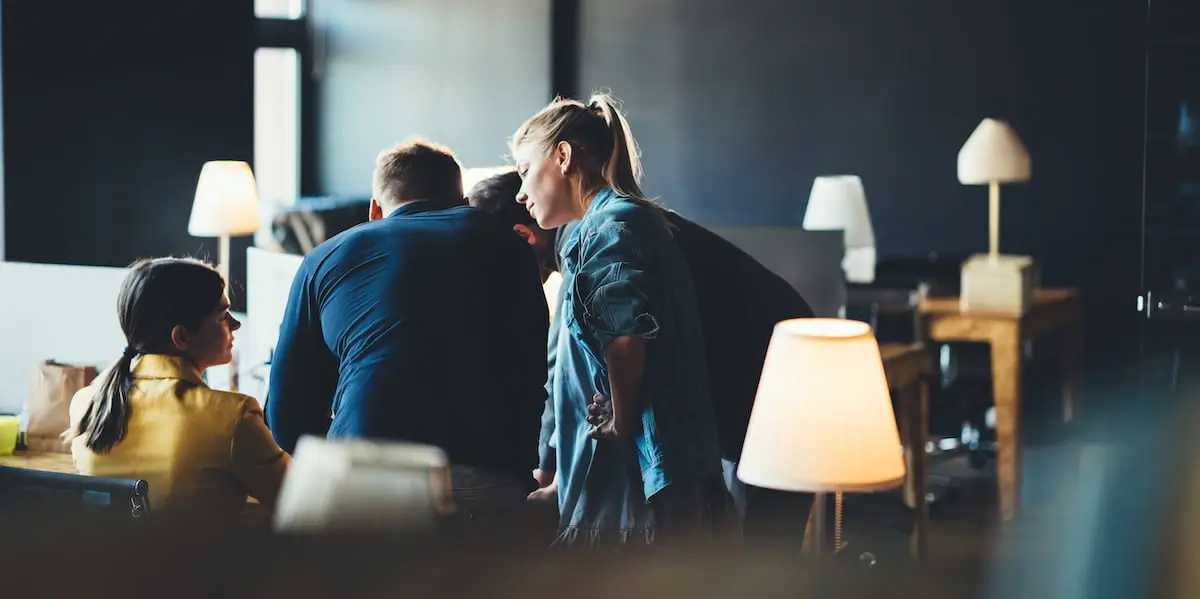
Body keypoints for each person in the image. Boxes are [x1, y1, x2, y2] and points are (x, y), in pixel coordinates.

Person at [469, 171, 816, 549]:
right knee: (762, 547)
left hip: (777, 377)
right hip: (783, 357)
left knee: (764, 553)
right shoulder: (618, 219)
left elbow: (563, 368)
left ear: (523, 235)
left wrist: (548, 471)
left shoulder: (595, 240)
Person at [266, 139, 549, 520]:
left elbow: (286, 413)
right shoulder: (508, 244)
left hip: (365, 466)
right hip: (486, 468)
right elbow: (534, 369)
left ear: (375, 210)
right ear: (463, 203)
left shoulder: (322, 259)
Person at [508, 93, 729, 549]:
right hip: (624, 493)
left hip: (639, 498)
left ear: (563, 157)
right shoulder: (601, 226)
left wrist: (620, 420)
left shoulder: (611, 227)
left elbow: (625, 337)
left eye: (525, 171)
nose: (520, 192)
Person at [66, 257, 289, 521]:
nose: (235, 324)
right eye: (222, 316)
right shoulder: (233, 416)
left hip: (107, 561)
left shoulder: (86, 403)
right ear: (181, 337)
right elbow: (305, 501)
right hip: (198, 562)